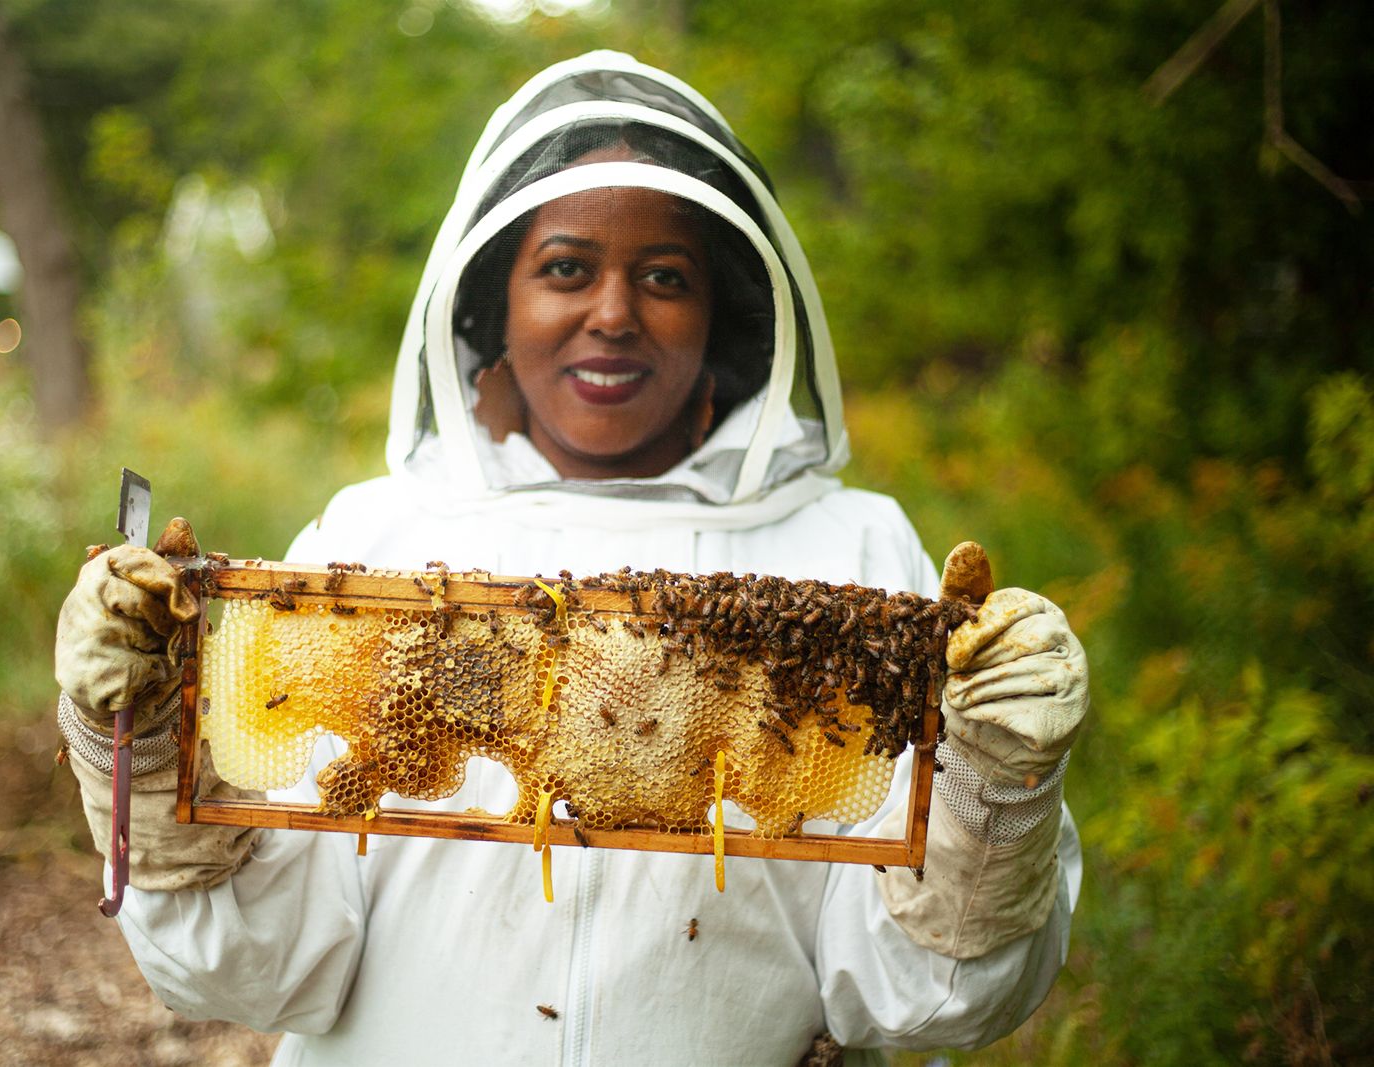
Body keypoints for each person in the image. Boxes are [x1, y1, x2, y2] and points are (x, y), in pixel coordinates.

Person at [54, 52, 1088, 1066]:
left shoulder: (855, 551)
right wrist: (145, 750)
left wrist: (993, 787)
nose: (611, 312)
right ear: (491, 300)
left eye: (664, 276)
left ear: (723, 309)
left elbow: (925, 992)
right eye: (564, 268)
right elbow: (248, 971)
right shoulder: (374, 542)